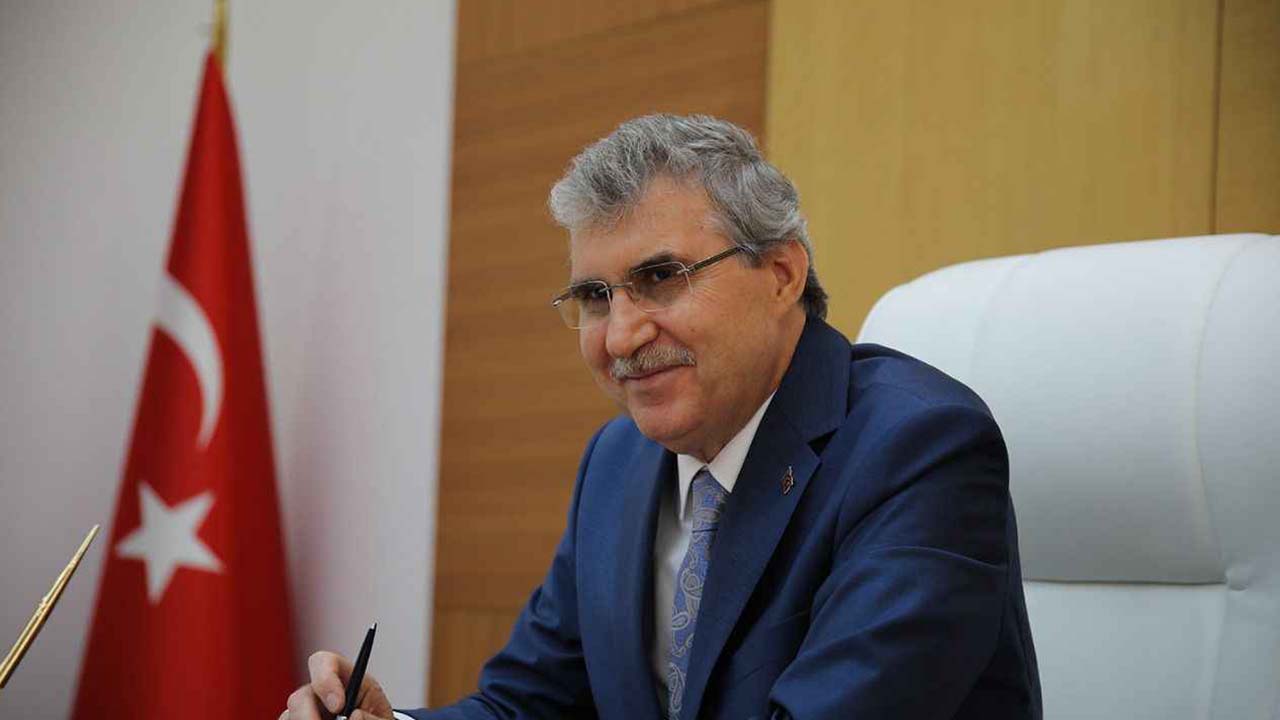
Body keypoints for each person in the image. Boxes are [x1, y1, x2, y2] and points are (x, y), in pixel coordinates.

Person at [283, 114, 1041, 720]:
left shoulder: (917, 448)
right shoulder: (616, 462)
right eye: (595, 297)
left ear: (781, 275)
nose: (620, 337)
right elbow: (532, 704)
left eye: (660, 278)